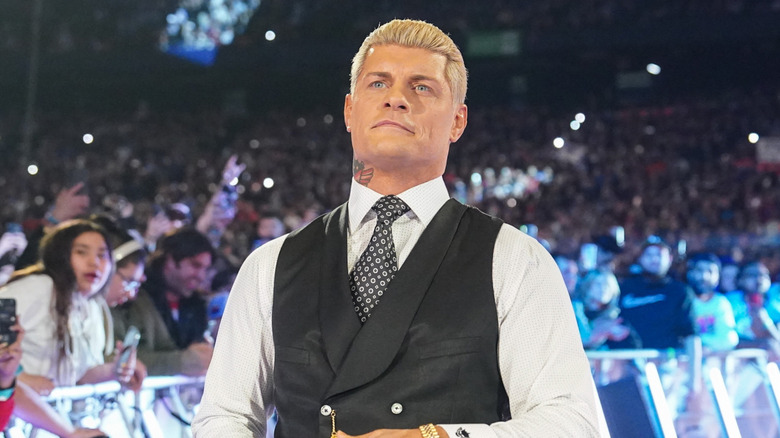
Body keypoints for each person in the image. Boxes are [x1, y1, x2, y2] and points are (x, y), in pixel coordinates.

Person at [193, 19, 602, 437]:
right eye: (378, 84)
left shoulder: (515, 260)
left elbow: (574, 423)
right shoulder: (269, 266)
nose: (396, 100)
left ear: (458, 121)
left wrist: (435, 437)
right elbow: (225, 417)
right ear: (350, 111)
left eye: (421, 87)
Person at [0, 220, 141, 390]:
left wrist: (115, 369)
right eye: (81, 252)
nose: (94, 263)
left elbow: (78, 378)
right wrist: (19, 378)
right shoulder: (38, 288)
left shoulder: (91, 306)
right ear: (60, 255)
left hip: (52, 412)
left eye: (102, 255)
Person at [111, 227, 215, 376]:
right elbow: (119, 356)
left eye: (206, 269)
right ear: (170, 260)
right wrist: (181, 362)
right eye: (195, 265)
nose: (201, 276)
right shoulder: (130, 298)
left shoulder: (197, 306)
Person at [619, 239, 696, 350]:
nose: (654, 259)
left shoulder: (680, 291)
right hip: (628, 360)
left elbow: (690, 333)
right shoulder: (625, 288)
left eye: (659, 255)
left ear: (670, 259)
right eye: (649, 255)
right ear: (640, 259)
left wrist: (693, 365)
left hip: (667, 360)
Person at [685, 253, 738, 352]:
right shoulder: (682, 301)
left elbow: (729, 340)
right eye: (699, 270)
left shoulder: (721, 303)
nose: (704, 276)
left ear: (718, 277)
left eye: (710, 271)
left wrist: (700, 344)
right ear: (689, 273)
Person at [573, 269, 638, 350]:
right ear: (588, 287)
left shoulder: (618, 318)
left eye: (607, 285)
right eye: (598, 284)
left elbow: (634, 347)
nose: (603, 288)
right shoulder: (574, 311)